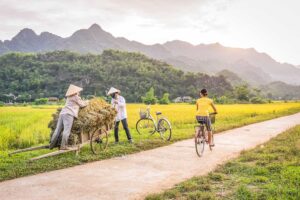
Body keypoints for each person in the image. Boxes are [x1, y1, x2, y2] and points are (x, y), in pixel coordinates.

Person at [50, 84, 88, 150]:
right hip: (69, 114)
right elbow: (82, 104)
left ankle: (51, 144)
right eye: (78, 91)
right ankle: (63, 146)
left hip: (62, 113)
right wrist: (87, 102)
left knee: (57, 130)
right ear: (75, 92)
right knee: (66, 131)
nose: (78, 92)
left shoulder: (69, 97)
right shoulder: (75, 97)